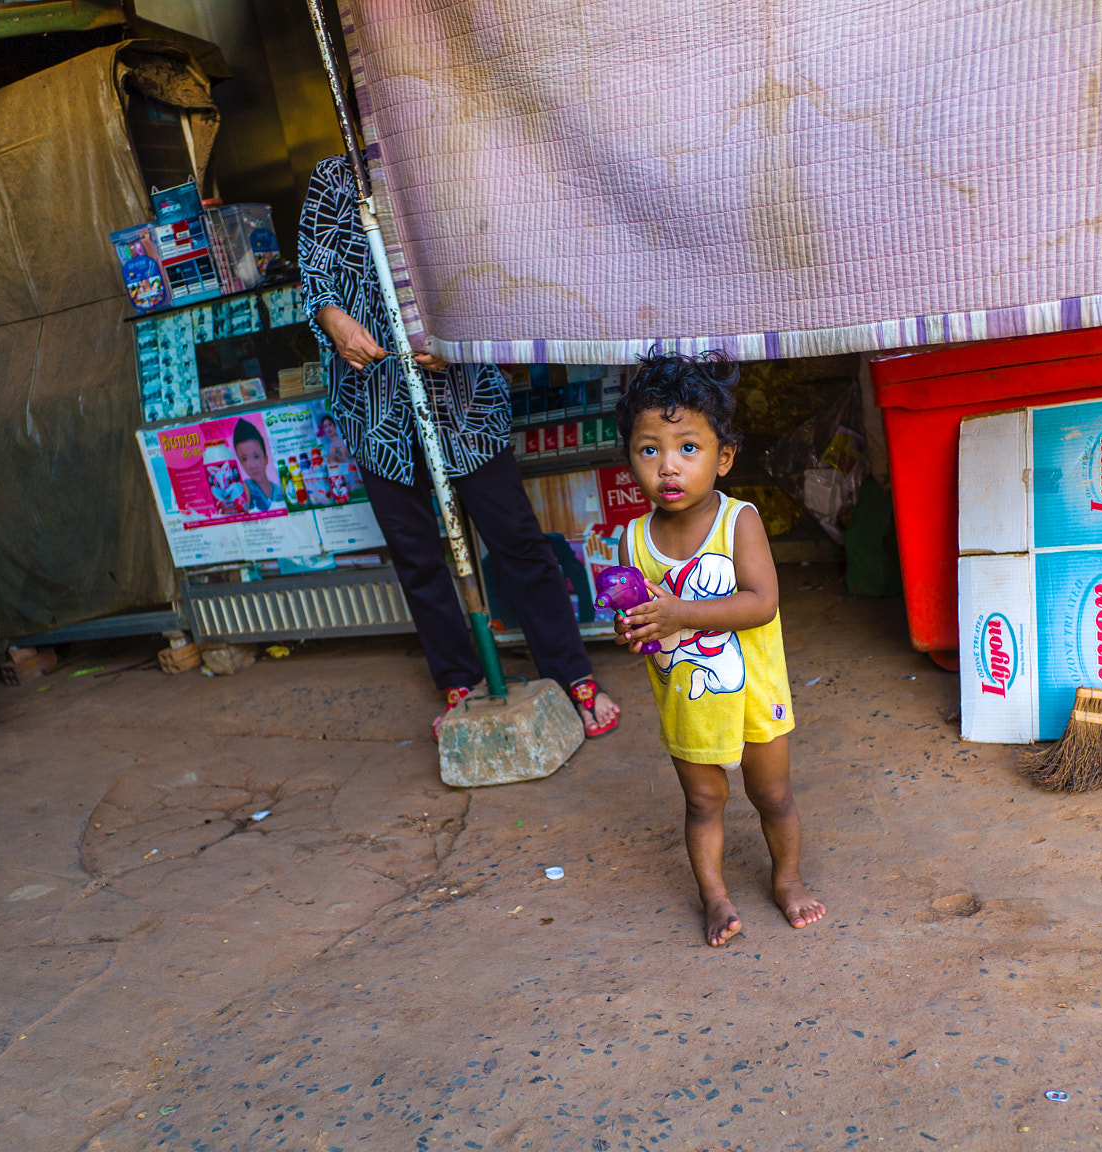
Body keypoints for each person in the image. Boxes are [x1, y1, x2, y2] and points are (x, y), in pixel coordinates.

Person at [298, 154, 619, 736]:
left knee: (517, 538)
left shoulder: (436, 149)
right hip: (374, 403)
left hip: (461, 398)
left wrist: (461, 334)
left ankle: (572, 673)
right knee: (418, 556)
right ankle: (458, 678)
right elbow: (316, 272)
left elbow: (491, 258)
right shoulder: (332, 175)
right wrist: (336, 322)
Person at [611, 351, 826, 947]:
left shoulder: (739, 521)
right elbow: (643, 616)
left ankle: (787, 879)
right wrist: (635, 629)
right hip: (688, 699)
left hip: (754, 695)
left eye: (687, 448)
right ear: (630, 458)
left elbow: (761, 603)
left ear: (723, 457)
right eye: (648, 449)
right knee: (703, 803)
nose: (667, 467)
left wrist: (679, 611)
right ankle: (714, 895)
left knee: (773, 795)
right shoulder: (633, 537)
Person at [233, 418, 282, 511]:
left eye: (256, 456)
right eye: (244, 459)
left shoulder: (280, 490)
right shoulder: (245, 489)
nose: (252, 465)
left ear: (266, 458)